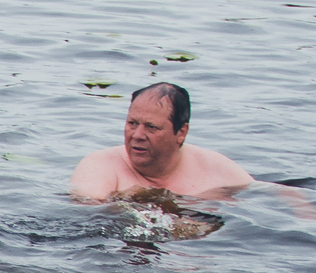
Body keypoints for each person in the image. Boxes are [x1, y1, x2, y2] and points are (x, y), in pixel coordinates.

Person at [69, 82, 256, 201]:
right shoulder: (100, 165)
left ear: (181, 132)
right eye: (132, 123)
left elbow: (263, 194)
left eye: (151, 127)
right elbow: (88, 211)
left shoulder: (214, 167)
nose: (137, 135)